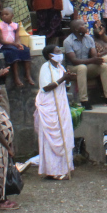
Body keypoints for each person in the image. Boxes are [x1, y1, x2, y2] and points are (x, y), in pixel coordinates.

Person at [34, 44, 76, 180]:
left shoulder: (60, 67)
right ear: (50, 55)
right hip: (50, 105)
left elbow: (64, 88)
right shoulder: (45, 68)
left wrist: (68, 80)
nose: (60, 53)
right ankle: (52, 170)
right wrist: (63, 79)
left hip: (61, 104)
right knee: (51, 136)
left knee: (65, 133)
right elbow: (45, 88)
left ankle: (64, 168)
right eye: (57, 51)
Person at [63, 20, 107, 109]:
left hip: (86, 65)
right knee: (82, 67)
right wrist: (93, 60)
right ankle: (84, 100)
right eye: (83, 25)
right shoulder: (68, 41)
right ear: (77, 29)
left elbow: (94, 55)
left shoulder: (89, 38)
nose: (86, 26)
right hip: (73, 68)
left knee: (103, 66)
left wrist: (96, 58)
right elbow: (74, 60)